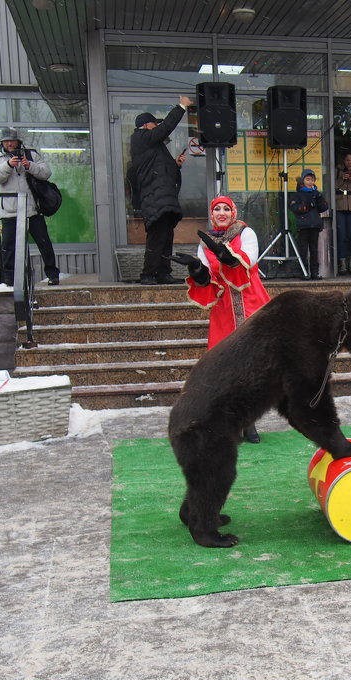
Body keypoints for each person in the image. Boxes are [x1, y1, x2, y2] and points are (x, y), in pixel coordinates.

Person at [170, 196, 271, 442]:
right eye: (217, 209)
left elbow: (247, 261)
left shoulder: (246, 233)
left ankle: (250, 422)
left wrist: (222, 252)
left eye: (227, 208)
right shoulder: (206, 243)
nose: (222, 213)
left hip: (250, 301)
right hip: (224, 308)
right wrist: (196, 267)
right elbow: (207, 279)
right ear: (212, 215)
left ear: (233, 212)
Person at [129, 96, 191, 285]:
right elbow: (166, 128)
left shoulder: (152, 147)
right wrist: (181, 107)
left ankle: (163, 272)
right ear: (147, 125)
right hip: (155, 199)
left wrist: (175, 165)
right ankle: (148, 274)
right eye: (155, 124)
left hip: (161, 198)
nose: (158, 128)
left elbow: (162, 171)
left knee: (165, 236)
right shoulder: (141, 138)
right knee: (157, 237)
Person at [0, 127, 59, 287]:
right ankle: (9, 279)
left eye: (11, 140)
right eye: (6, 141)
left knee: (44, 242)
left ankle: (53, 274)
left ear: (18, 141)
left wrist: (29, 166)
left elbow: (46, 173)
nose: (9, 144)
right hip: (10, 212)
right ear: (2, 143)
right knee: (8, 247)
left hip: (32, 209)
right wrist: (8, 165)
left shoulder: (31, 154)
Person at [288, 168, 328, 280]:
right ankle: (304, 272)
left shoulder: (316, 194)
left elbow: (324, 207)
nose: (310, 182)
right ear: (303, 181)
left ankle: (315, 272)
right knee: (303, 250)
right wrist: (307, 206)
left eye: (312, 180)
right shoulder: (298, 194)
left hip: (315, 225)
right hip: (303, 226)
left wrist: (319, 198)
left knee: (314, 250)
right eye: (308, 179)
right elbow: (294, 208)